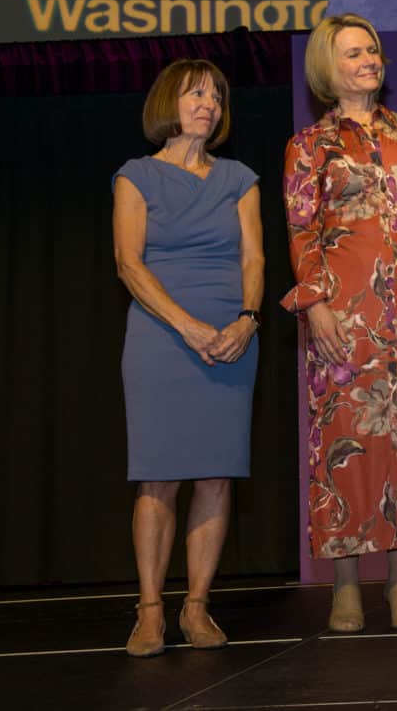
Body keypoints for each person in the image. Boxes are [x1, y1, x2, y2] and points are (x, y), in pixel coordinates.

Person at [281, 14, 397, 634]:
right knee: (345, 448)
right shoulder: (308, 145)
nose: (369, 60)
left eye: (373, 50)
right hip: (343, 318)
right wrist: (315, 303)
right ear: (328, 67)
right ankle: (346, 587)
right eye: (354, 53)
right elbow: (302, 230)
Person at [113, 59, 263, 658]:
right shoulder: (136, 176)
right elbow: (129, 264)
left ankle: (197, 606)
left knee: (216, 475)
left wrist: (247, 320)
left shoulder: (239, 178)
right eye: (195, 95)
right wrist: (187, 327)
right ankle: (150, 609)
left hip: (231, 338)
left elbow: (254, 258)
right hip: (161, 337)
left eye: (216, 98)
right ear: (167, 105)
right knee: (158, 477)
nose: (208, 105)